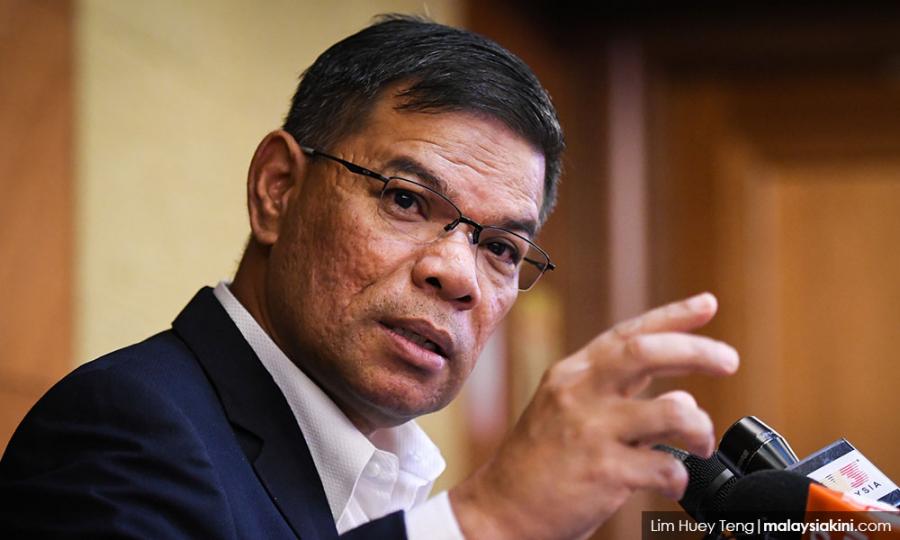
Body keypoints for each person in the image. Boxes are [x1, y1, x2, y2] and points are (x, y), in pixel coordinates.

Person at [0, 14, 738, 539]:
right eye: (405, 200)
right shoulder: (121, 430)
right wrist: (486, 521)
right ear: (277, 189)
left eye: (501, 248)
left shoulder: (392, 481)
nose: (457, 274)